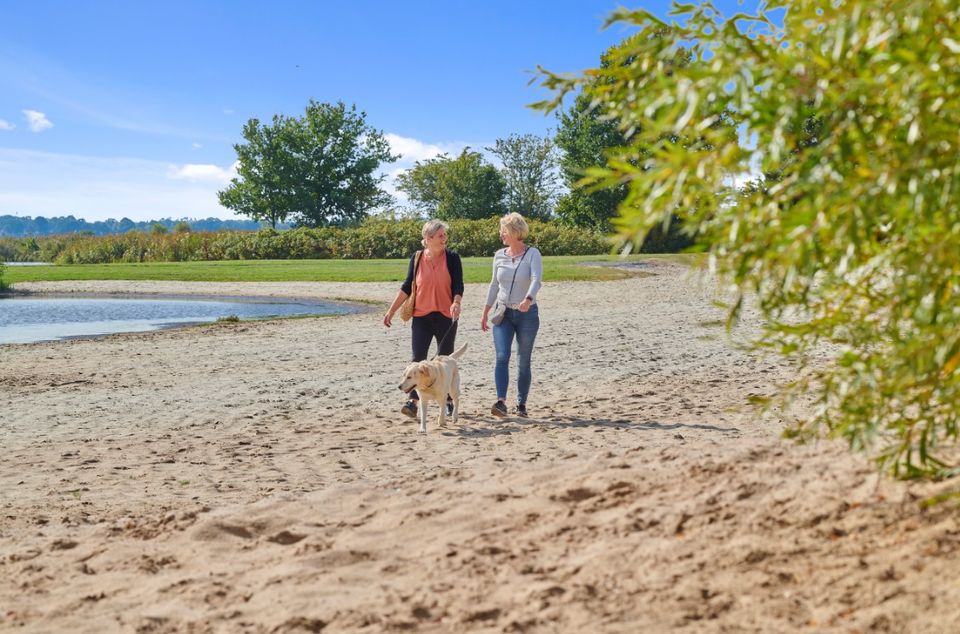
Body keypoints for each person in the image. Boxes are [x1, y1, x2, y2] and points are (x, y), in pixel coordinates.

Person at [384, 219, 464, 419]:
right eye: (440, 236)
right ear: (427, 239)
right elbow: (406, 286)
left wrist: (456, 302)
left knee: (444, 359)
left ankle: (446, 402)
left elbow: (458, 285)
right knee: (417, 358)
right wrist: (391, 311)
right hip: (421, 316)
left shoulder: (452, 258)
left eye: (444, 235)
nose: (444, 239)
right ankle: (412, 401)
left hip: (446, 316)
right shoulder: (417, 257)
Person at [480, 212, 542, 418]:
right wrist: (485, 310)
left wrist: (528, 299)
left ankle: (521, 404)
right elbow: (494, 284)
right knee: (501, 356)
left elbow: (536, 279)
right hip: (503, 312)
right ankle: (500, 402)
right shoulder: (499, 255)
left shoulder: (533, 254)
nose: (501, 234)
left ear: (515, 232)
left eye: (504, 231)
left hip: (527, 314)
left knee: (523, 360)